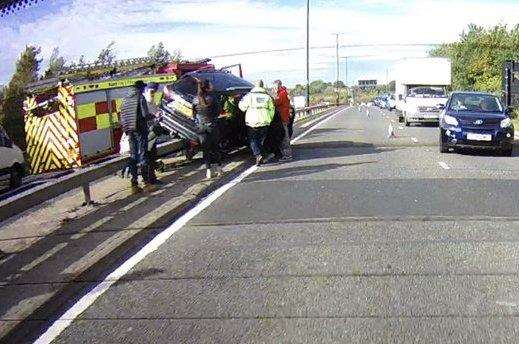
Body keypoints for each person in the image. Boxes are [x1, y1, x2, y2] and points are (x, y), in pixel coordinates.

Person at [120, 80, 151, 193]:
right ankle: (146, 183)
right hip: (140, 129)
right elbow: (145, 114)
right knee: (143, 155)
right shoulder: (140, 97)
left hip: (129, 129)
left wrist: (126, 129)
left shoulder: (125, 99)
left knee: (133, 156)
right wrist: (153, 116)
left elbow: (122, 115)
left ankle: (134, 185)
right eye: (143, 88)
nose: (143, 89)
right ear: (140, 88)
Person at [239, 80, 275, 165]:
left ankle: (258, 155)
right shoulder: (267, 97)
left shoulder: (249, 96)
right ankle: (264, 156)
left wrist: (240, 101)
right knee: (260, 140)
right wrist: (269, 119)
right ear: (262, 86)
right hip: (264, 121)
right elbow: (272, 109)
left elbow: (242, 107)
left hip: (252, 122)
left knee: (253, 140)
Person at [193, 78, 222, 179]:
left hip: (201, 127)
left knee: (205, 149)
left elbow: (194, 114)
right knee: (215, 148)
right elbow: (218, 111)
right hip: (212, 125)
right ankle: (219, 169)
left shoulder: (195, 99)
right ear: (207, 87)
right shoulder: (212, 98)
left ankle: (208, 171)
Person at [273, 80, 293, 160]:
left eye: (274, 86)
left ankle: (287, 155)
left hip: (282, 117)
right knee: (284, 135)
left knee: (284, 136)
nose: (274, 88)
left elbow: (276, 103)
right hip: (285, 116)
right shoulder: (284, 92)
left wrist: (274, 95)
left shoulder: (281, 94)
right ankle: (286, 154)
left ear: (278, 86)